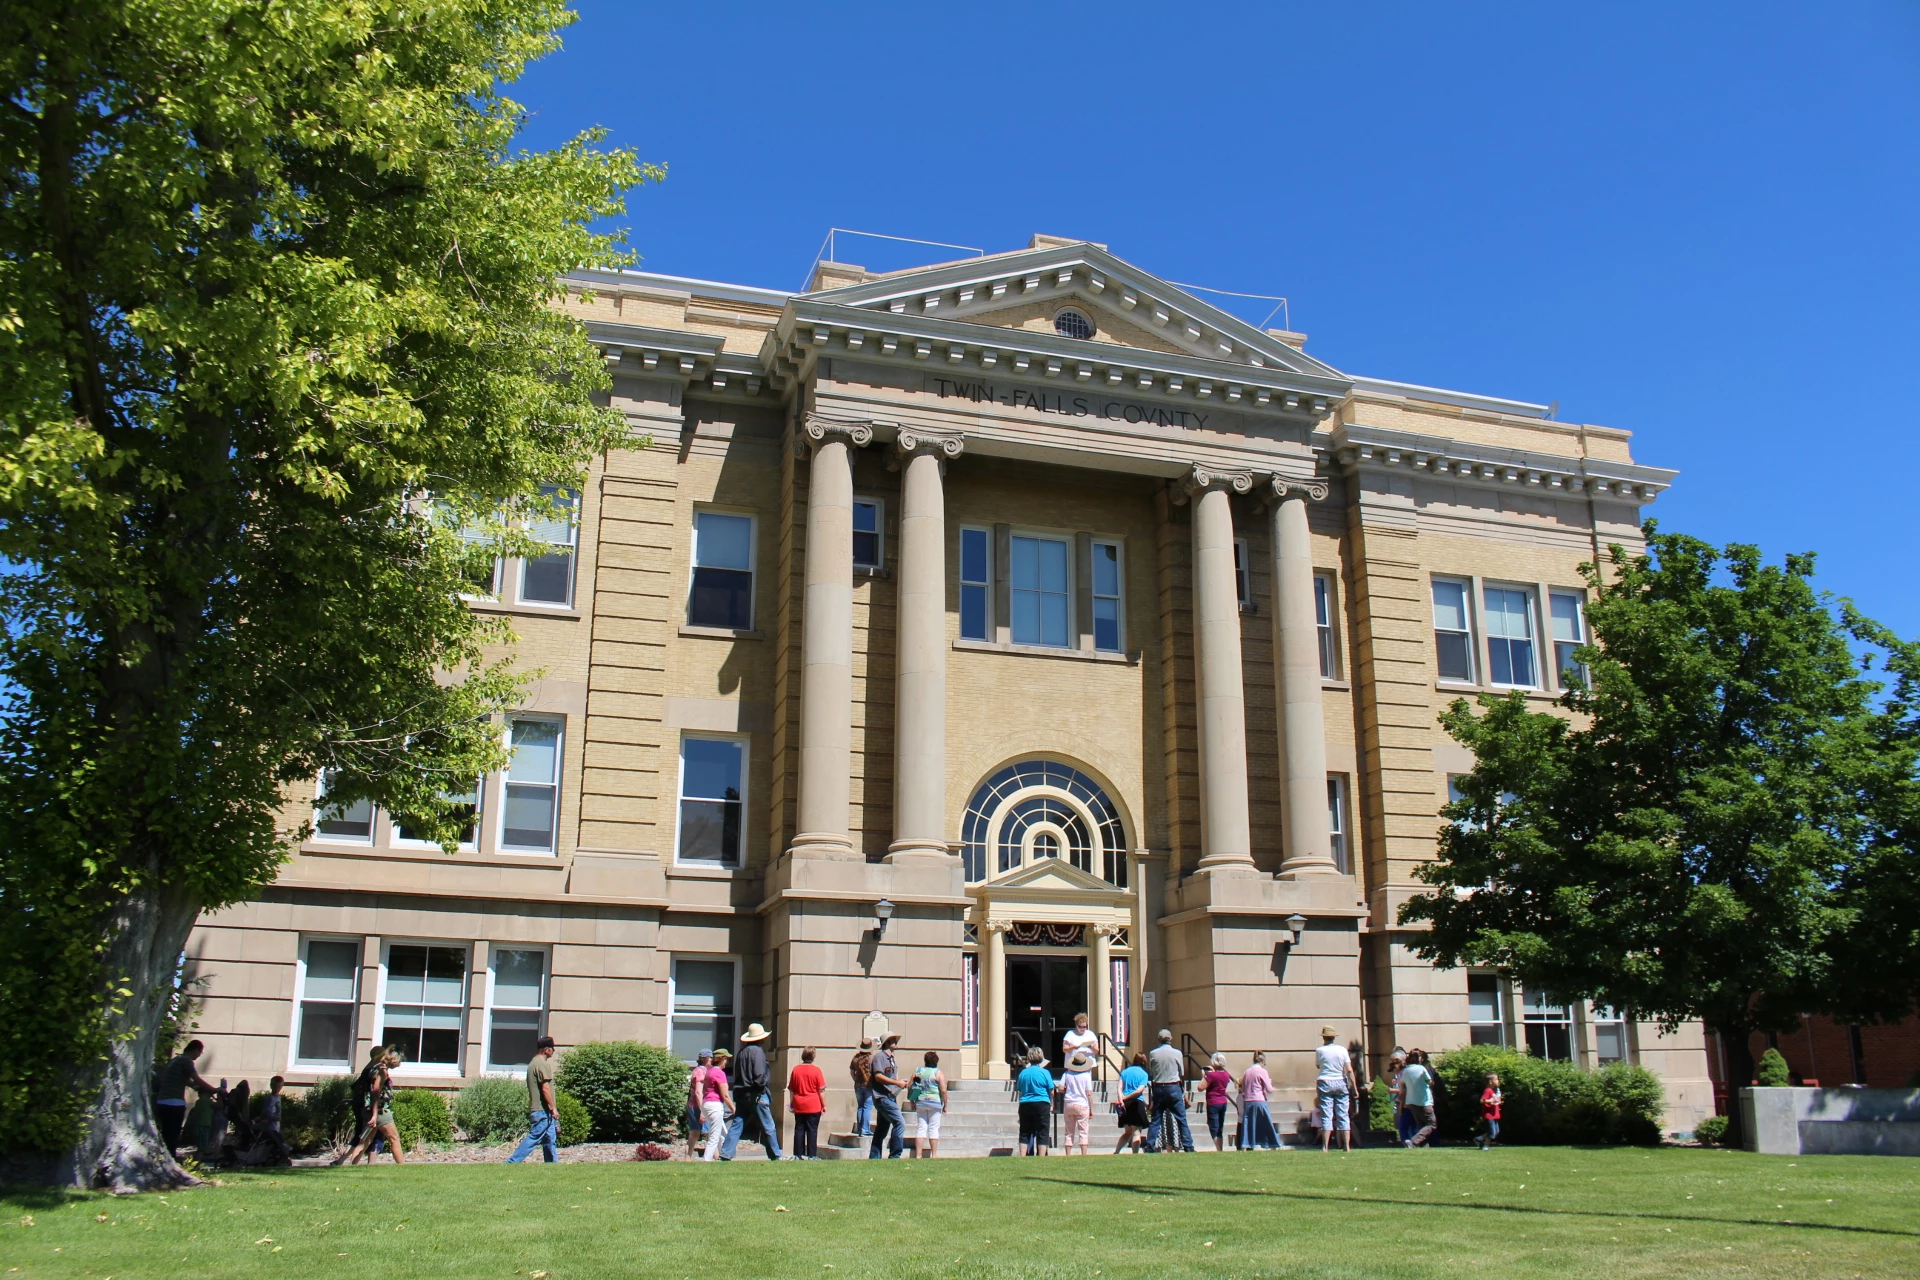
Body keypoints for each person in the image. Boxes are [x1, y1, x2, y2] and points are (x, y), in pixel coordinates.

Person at [722, 1023, 786, 1160]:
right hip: (755, 1094)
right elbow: (759, 1075)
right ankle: (776, 1154)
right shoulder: (757, 1052)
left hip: (741, 1094)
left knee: (737, 1124)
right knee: (768, 1125)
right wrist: (761, 1087)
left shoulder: (742, 1052)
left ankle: (726, 1153)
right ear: (760, 1038)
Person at [337, 1050, 404, 1165]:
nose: (399, 1064)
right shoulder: (382, 1071)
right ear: (393, 1059)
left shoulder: (372, 1067)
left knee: (365, 1141)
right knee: (394, 1138)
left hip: (367, 1109)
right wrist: (375, 1115)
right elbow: (376, 1093)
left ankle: (353, 1166)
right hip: (380, 1111)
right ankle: (403, 1167)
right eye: (399, 1061)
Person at [154, 1040, 216, 1155]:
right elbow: (196, 1078)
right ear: (196, 1049)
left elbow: (187, 1081)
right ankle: (171, 1156)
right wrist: (214, 1089)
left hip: (162, 1100)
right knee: (173, 1133)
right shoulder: (186, 1061)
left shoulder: (176, 1060)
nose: (199, 1056)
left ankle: (165, 1155)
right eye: (200, 1053)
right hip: (174, 1102)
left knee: (166, 1132)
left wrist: (196, 1087)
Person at [506, 1036, 560, 1164]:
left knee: (550, 1138)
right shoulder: (541, 1064)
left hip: (543, 1110)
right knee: (535, 1137)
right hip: (542, 1110)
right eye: (552, 1049)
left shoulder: (533, 1063)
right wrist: (553, 1108)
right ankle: (512, 1162)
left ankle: (552, 1165)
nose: (553, 1051)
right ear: (547, 1050)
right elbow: (545, 1089)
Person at [1145, 1029, 1194, 1153]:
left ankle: (1150, 1145)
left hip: (1159, 1086)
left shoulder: (1153, 1053)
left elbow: (1152, 1071)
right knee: (1181, 1118)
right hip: (1173, 1086)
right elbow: (1181, 1072)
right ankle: (1188, 1145)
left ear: (1158, 1040)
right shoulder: (1177, 1053)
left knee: (1156, 1119)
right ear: (1171, 1039)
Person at [1314, 1026, 1358, 1153]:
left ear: (1323, 1037)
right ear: (1334, 1037)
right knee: (1343, 1114)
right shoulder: (1342, 1050)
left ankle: (1325, 1147)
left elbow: (1318, 1065)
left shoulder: (1320, 1050)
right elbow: (1349, 1070)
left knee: (1326, 1115)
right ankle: (1347, 1146)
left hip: (1325, 1081)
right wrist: (1354, 1088)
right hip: (1340, 1081)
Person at [867, 1034, 906, 1159]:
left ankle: (874, 1157)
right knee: (899, 1122)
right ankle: (895, 1155)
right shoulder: (880, 1057)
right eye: (894, 1040)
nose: (896, 1042)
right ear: (887, 1042)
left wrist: (901, 1082)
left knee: (881, 1129)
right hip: (882, 1097)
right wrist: (897, 1083)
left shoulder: (891, 1058)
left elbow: (891, 1077)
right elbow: (878, 1076)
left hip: (890, 1096)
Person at [908, 1050, 949, 1158]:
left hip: (921, 1102)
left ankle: (918, 1155)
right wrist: (945, 1104)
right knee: (933, 1128)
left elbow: (910, 1086)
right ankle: (934, 1155)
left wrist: (912, 1101)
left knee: (921, 1128)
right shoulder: (938, 1072)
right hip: (935, 1103)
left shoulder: (918, 1071)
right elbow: (943, 1090)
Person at [1014, 1046, 1054, 1157]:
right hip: (1042, 1102)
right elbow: (1051, 1091)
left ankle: (1022, 1155)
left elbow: (1020, 1091)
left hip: (1025, 1103)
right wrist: (1052, 1104)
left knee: (1024, 1131)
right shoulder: (1045, 1073)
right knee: (1043, 1131)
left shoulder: (1023, 1073)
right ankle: (1041, 1156)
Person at [788, 1047, 827, 1160]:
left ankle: (797, 1154)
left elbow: (792, 1089)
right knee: (812, 1130)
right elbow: (821, 1090)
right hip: (813, 1104)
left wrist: (791, 1104)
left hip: (799, 1103)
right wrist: (823, 1104)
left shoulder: (796, 1069)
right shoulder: (816, 1070)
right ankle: (812, 1154)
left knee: (799, 1129)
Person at [1239, 1052, 1279, 1151]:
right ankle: (1272, 1143)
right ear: (1262, 1062)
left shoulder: (1246, 1072)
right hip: (1259, 1099)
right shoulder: (1262, 1071)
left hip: (1248, 1101)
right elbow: (1269, 1089)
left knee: (1248, 1124)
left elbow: (1243, 1088)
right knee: (1266, 1123)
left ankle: (1246, 1144)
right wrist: (1269, 1082)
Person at [1060, 1048, 1095, 1155]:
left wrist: (1067, 1089)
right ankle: (1083, 1153)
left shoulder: (1066, 1074)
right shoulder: (1086, 1076)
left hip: (1069, 1103)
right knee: (1083, 1130)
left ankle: (1068, 1154)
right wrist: (1091, 1109)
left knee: (1069, 1131)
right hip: (1082, 1104)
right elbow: (1089, 1093)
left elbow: (1060, 1088)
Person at [1114, 1051, 1151, 1154]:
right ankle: (1135, 1154)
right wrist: (1126, 1098)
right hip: (1136, 1104)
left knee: (1127, 1132)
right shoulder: (1144, 1074)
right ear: (1144, 1062)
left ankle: (1116, 1152)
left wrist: (1121, 1099)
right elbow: (1139, 1091)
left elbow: (1119, 1088)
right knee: (1136, 1132)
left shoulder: (1125, 1071)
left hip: (1125, 1105)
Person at [701, 1048, 734, 1162]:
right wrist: (734, 1109)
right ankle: (706, 1160)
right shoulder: (719, 1073)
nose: (727, 1062)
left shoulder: (709, 1071)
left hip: (706, 1104)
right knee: (714, 1137)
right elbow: (725, 1095)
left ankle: (724, 1157)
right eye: (726, 1059)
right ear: (721, 1059)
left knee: (723, 1134)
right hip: (715, 1106)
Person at [1401, 1048, 1438, 1147]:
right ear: (1419, 1058)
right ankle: (1412, 1142)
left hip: (1411, 1101)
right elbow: (1430, 1082)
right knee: (1432, 1124)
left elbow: (1403, 1085)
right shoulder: (1421, 1068)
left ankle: (1424, 1147)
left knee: (1421, 1125)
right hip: (1424, 1101)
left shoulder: (1405, 1070)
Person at [1203, 1053, 1234, 1152]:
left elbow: (1200, 1087)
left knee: (1213, 1126)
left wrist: (1204, 1076)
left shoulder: (1211, 1075)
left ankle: (1218, 1148)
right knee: (1220, 1126)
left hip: (1213, 1101)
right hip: (1223, 1101)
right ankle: (1220, 1148)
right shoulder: (1226, 1074)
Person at [686, 1050, 714, 1158]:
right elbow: (698, 1092)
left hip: (692, 1106)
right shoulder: (701, 1072)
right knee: (710, 1135)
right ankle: (716, 1161)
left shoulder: (698, 1070)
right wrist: (703, 1111)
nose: (712, 1060)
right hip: (698, 1107)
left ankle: (687, 1158)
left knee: (694, 1134)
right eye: (711, 1058)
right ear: (705, 1059)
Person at [1386, 1048, 1413, 1145]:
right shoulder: (1398, 1073)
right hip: (1400, 1100)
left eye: (1396, 1061)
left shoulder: (1406, 1072)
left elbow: (1406, 1089)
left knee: (1406, 1124)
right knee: (1402, 1124)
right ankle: (1407, 1141)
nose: (1394, 1063)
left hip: (1406, 1101)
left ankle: (1409, 1141)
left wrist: (1395, 1092)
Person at [849, 1039, 875, 1137]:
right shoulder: (872, 1058)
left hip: (858, 1085)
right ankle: (865, 1129)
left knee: (860, 1107)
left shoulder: (855, 1058)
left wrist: (855, 1079)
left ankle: (860, 1129)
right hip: (869, 1085)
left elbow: (852, 1072)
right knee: (867, 1107)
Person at [1478, 1072, 1503, 1150]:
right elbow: (1482, 1100)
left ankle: (1479, 1138)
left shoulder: (1493, 1091)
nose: (1498, 1081)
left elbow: (1494, 1101)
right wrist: (1490, 1100)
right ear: (1490, 1082)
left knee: (1496, 1132)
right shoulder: (1488, 1090)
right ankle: (1486, 1146)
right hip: (1489, 1115)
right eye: (1496, 1079)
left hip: (1494, 1114)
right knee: (1492, 1132)